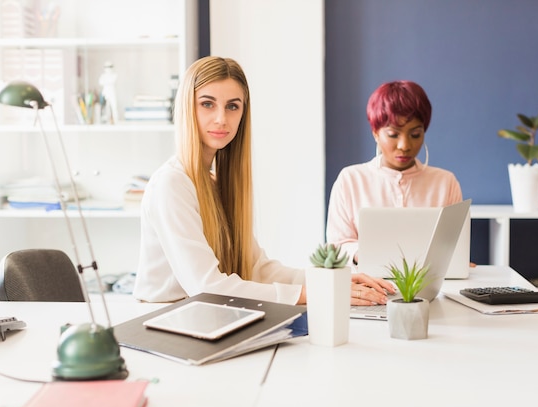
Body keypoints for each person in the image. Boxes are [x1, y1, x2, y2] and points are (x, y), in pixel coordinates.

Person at [133, 56, 394, 306]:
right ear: (187, 108)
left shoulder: (214, 182)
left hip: (201, 316)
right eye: (207, 104)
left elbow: (257, 268)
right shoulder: (171, 184)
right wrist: (315, 293)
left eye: (232, 106)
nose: (221, 118)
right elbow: (207, 286)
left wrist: (331, 281)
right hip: (163, 323)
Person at [326, 80, 463, 266]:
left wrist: (458, 261)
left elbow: (455, 247)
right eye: (393, 134)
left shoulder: (445, 182)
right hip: (367, 286)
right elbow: (338, 245)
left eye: (415, 134)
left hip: (432, 287)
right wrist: (368, 255)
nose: (404, 146)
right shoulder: (350, 180)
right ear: (375, 133)